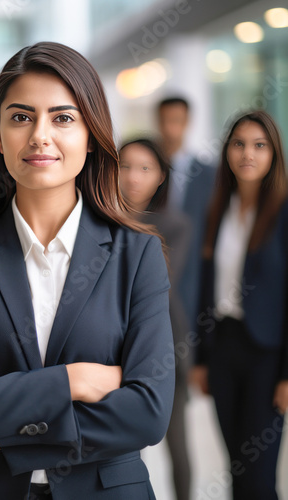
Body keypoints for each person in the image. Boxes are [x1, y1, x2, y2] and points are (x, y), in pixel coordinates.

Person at [0, 42, 174, 500]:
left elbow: (146, 413)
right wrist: (75, 381)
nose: (39, 136)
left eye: (63, 118)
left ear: (91, 134)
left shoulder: (138, 255)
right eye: (21, 117)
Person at [191, 110, 288, 499]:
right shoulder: (217, 210)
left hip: (268, 354)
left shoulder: (283, 212)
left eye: (259, 145)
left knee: (259, 478)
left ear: (273, 154)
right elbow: (205, 286)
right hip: (223, 348)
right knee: (235, 469)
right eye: (239, 144)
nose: (248, 153)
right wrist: (200, 358)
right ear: (228, 152)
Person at [119, 138, 192, 500]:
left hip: (165, 345)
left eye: (145, 168)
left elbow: (159, 284)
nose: (133, 177)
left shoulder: (174, 224)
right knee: (125, 450)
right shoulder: (98, 217)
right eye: (125, 166)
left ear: (161, 176)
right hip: (112, 348)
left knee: (176, 442)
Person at [157, 97, 215, 329]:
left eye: (177, 120)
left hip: (192, 269)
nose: (171, 127)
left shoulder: (209, 174)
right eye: (166, 120)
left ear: (188, 122)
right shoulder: (145, 170)